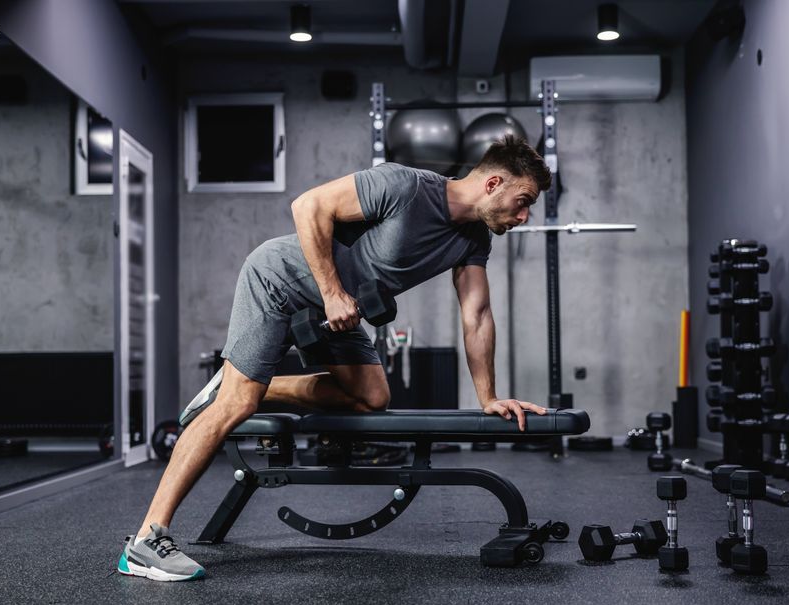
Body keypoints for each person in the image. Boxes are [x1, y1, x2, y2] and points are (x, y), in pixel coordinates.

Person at [117, 135, 553, 581]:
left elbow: (476, 314)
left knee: (370, 397)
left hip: (337, 309)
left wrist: (489, 397)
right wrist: (331, 293)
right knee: (237, 405)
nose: (523, 216)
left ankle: (240, 385)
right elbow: (308, 206)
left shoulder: (473, 239)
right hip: (280, 280)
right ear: (494, 182)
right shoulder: (405, 186)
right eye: (523, 202)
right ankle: (146, 542)